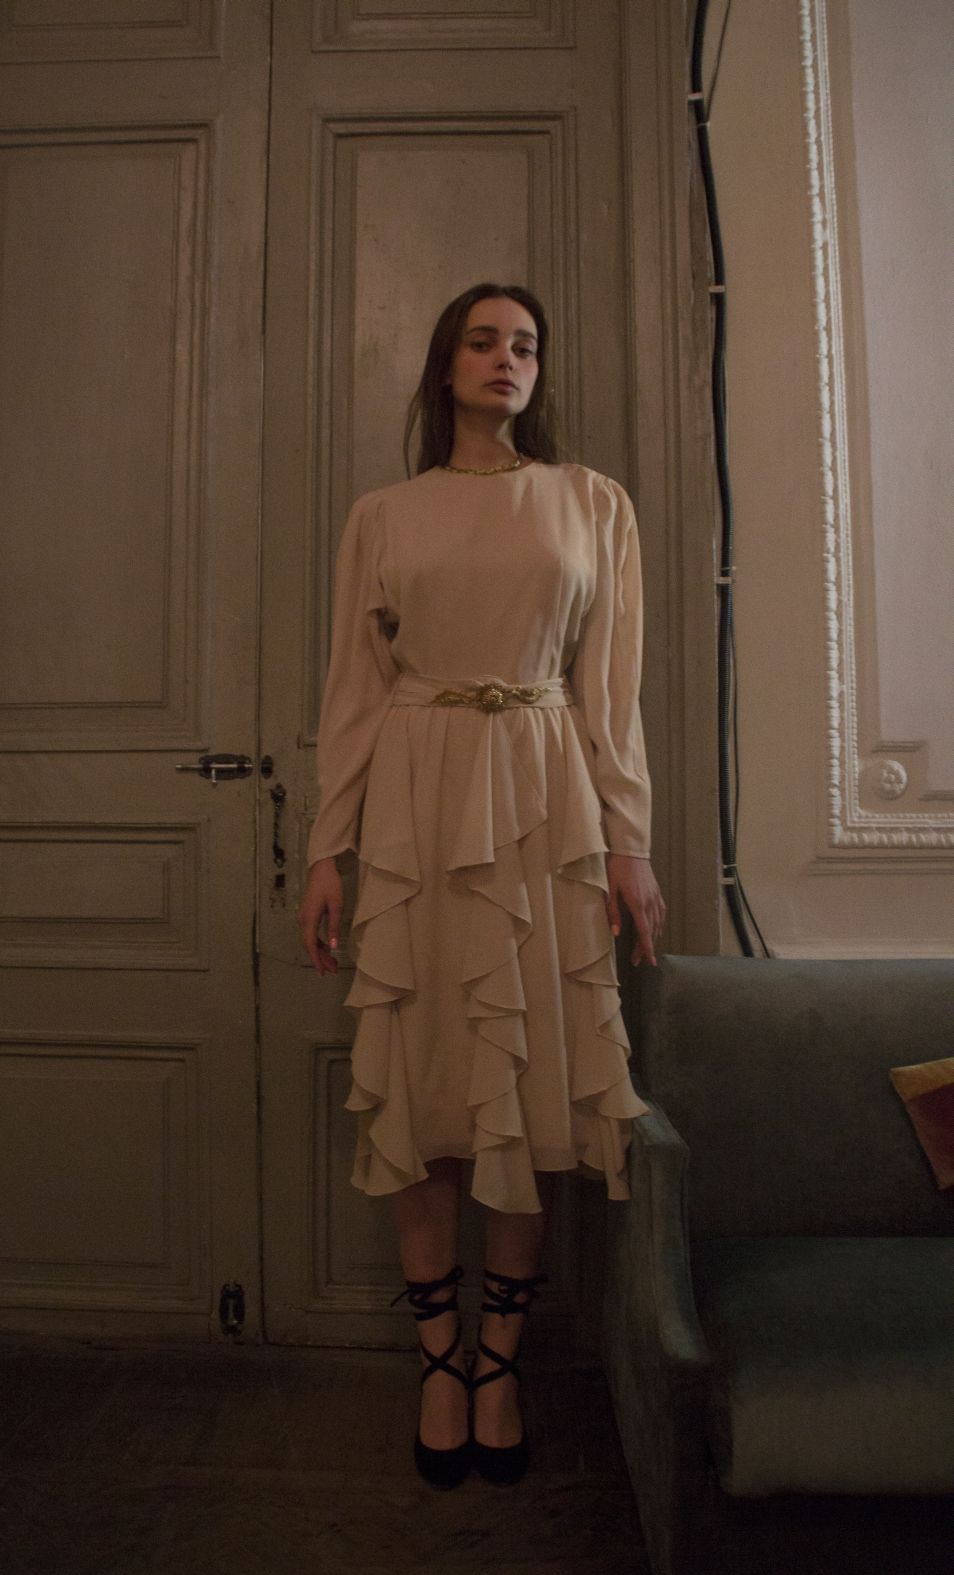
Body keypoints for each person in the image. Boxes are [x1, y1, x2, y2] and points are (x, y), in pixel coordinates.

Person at [297, 282, 665, 1490]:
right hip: (417, 804)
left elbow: (611, 695)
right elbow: (354, 696)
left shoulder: (591, 502)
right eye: (484, 341)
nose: (508, 359)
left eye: (527, 346)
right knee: (424, 1092)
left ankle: (498, 1364)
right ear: (445, 366)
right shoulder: (384, 515)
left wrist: (630, 844)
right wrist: (326, 850)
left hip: (545, 805)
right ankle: (438, 1364)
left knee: (521, 1088)